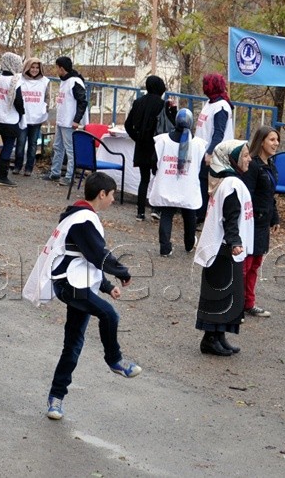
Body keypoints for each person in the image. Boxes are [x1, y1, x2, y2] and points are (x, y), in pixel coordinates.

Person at [43, 172, 141, 422]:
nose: (113, 200)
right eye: (112, 195)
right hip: (69, 285)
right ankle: (115, 360)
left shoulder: (80, 215)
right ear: (102, 194)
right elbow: (99, 254)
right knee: (109, 314)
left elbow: (86, 259)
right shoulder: (84, 219)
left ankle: (56, 398)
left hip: (78, 283)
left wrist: (107, 286)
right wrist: (122, 272)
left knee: (73, 344)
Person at [193, 139, 253, 357]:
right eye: (245, 155)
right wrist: (235, 241)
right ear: (231, 158)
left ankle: (219, 336)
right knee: (219, 293)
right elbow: (231, 216)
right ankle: (209, 338)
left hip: (224, 247)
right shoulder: (231, 184)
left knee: (229, 293)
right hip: (224, 248)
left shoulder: (229, 181)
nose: (249, 159)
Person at [150, 109, 206, 257]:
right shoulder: (199, 144)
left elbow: (153, 163)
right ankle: (189, 244)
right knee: (189, 215)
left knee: (166, 215)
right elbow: (202, 167)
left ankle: (165, 247)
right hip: (188, 186)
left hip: (167, 184)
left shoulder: (162, 140)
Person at [242, 125, 280, 318]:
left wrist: (274, 216)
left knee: (256, 263)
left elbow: (270, 194)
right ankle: (237, 303)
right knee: (246, 264)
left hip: (264, 221)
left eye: (277, 140)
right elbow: (248, 193)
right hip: (253, 221)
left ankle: (249, 303)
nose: (276, 143)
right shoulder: (253, 165)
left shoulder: (270, 165)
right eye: (272, 140)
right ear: (262, 141)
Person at [124, 75, 169, 221]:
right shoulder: (163, 105)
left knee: (144, 179)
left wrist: (136, 138)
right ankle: (155, 209)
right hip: (157, 146)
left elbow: (127, 125)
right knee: (158, 178)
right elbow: (168, 126)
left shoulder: (138, 102)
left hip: (142, 144)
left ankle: (140, 211)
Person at [194, 73, 233, 223]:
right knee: (201, 181)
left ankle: (202, 216)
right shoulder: (210, 102)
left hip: (215, 153)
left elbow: (219, 133)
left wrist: (209, 153)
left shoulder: (221, 106)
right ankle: (200, 213)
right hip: (202, 150)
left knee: (207, 184)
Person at [45, 56, 87, 186]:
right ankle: (55, 172)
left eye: (57, 67)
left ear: (61, 68)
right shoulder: (65, 81)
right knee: (58, 147)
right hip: (61, 120)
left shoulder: (74, 82)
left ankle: (69, 176)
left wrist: (76, 120)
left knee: (70, 150)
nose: (56, 70)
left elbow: (82, 102)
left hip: (69, 122)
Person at [0, 52, 24, 187]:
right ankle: (2, 176)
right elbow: (18, 100)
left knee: (5, 144)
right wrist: (22, 112)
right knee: (8, 147)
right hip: (11, 118)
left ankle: (1, 174)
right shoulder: (15, 80)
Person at [14, 57, 47, 177]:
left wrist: (44, 111)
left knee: (33, 144)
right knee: (21, 142)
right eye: (32, 67)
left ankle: (29, 167)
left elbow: (47, 98)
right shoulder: (20, 80)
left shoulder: (45, 81)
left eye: (37, 67)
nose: (34, 70)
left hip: (37, 118)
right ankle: (18, 165)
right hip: (23, 116)